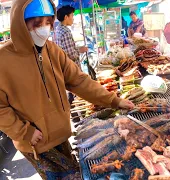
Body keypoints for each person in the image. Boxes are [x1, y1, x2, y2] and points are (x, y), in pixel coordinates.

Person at [0, 0, 134, 179]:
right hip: (35, 142)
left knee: (75, 174)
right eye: (36, 23)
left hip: (61, 133)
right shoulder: (4, 60)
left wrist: (114, 100)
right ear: (19, 22)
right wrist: (24, 132)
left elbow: (79, 81)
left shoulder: (53, 51)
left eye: (48, 22)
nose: (44, 28)